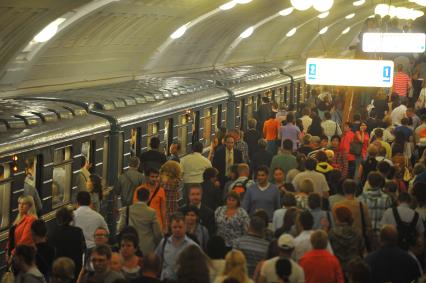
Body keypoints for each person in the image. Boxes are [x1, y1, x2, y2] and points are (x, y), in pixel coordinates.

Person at [118, 188, 162, 255]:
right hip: (147, 248)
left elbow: (120, 228)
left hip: (130, 246)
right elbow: (157, 233)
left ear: (137, 197)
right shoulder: (152, 212)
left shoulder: (126, 210)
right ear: (148, 197)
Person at [155, 212, 198, 280]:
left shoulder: (192, 246)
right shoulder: (164, 242)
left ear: (185, 227)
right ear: (171, 228)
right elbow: (156, 260)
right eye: (175, 227)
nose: (177, 230)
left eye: (180, 227)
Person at [49, 207, 86, 280]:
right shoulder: (78, 231)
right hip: (75, 267)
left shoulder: (52, 233)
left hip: (59, 268)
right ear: (70, 218)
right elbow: (83, 248)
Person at [329, 206, 364, 277]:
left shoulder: (332, 233)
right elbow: (361, 249)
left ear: (338, 218)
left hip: (339, 267)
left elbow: (330, 251)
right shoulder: (358, 232)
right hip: (355, 268)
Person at [358, 172, 392, 238]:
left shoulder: (361, 198)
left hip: (366, 234)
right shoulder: (387, 198)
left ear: (368, 182)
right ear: (380, 182)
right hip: (382, 233)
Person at [133, 167, 167, 232]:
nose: (155, 179)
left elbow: (163, 210)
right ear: (147, 177)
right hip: (143, 223)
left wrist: (165, 226)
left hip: (157, 224)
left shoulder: (161, 190)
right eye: (152, 177)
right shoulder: (139, 190)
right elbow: (135, 207)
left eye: (156, 177)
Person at [159, 160, 183, 229]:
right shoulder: (178, 184)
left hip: (164, 217)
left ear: (168, 174)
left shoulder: (165, 186)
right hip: (174, 216)